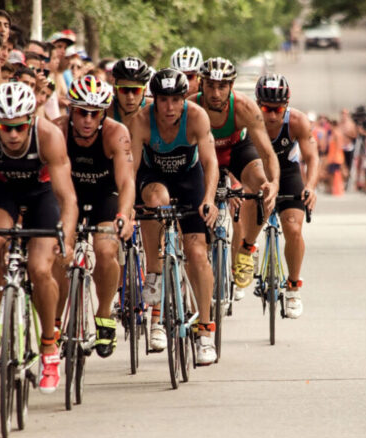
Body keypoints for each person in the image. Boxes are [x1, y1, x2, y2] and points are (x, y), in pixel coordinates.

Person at [0, 82, 77, 394]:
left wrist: (67, 238)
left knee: (39, 268)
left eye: (20, 127)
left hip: (42, 192)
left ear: (31, 120)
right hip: (3, 188)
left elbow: (67, 200)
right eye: (5, 128)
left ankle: (50, 347)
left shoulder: (49, 135)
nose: (12, 135)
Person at [128, 68, 219, 362]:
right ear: (154, 100)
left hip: (189, 178)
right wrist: (128, 206)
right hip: (154, 178)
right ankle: (154, 271)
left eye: (175, 100)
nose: (169, 107)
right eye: (163, 100)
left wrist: (208, 199)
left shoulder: (197, 117)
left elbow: (210, 162)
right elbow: (130, 171)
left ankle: (205, 331)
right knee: (157, 200)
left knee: (197, 252)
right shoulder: (141, 120)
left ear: (184, 99)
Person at [58, 75, 134, 357]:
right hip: (70, 196)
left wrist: (124, 215)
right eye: (82, 112)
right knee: (59, 252)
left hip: (106, 195)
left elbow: (126, 182)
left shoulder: (116, 133)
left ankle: (105, 317)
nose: (88, 120)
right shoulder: (57, 131)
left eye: (95, 113)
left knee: (105, 249)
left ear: (103, 113)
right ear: (71, 110)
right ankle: (55, 324)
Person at [193, 57, 278, 292]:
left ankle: (246, 249)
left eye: (222, 86)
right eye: (210, 85)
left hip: (236, 152)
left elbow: (268, 155)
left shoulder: (245, 107)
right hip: (203, 155)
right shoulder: (192, 106)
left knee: (263, 191)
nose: (216, 93)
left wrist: (275, 183)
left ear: (231, 86)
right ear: (201, 84)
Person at [255, 74, 317, 318]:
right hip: (258, 171)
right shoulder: (248, 121)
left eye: (278, 109)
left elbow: (312, 158)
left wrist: (310, 186)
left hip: (289, 173)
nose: (271, 115)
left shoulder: (297, 122)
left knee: (293, 229)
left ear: (287, 106)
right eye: (266, 109)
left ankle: (292, 287)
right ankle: (248, 248)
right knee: (243, 209)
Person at [106, 57, 151, 127]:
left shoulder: (155, 111)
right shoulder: (105, 111)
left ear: (144, 91)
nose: (130, 97)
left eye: (136, 90)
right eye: (124, 90)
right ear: (115, 90)